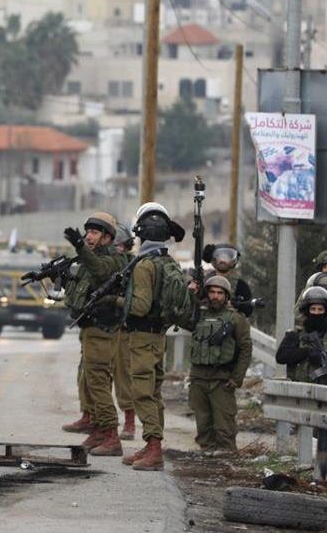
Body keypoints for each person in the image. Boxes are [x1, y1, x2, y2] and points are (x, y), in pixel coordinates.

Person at [118, 201, 186, 471]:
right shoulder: (168, 261)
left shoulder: (144, 265)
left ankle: (154, 448)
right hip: (159, 336)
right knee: (154, 391)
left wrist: (119, 302)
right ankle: (150, 444)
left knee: (143, 392)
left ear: (141, 232)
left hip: (143, 336)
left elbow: (141, 306)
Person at [59, 212, 129, 457]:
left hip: (103, 329)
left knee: (98, 382)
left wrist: (80, 246)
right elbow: (80, 290)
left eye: (95, 233)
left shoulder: (114, 259)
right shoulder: (91, 259)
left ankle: (111, 435)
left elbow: (101, 271)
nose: (89, 236)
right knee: (89, 381)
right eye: (87, 232)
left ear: (108, 238)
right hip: (90, 328)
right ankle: (99, 430)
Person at [187, 276, 251, 454]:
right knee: (203, 420)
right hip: (199, 377)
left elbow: (245, 350)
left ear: (226, 296)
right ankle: (207, 453)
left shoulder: (236, 319)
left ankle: (226, 454)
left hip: (222, 379)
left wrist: (237, 378)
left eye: (220, 293)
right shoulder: (197, 315)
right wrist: (190, 294)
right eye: (212, 292)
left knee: (224, 423)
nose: (215, 296)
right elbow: (179, 316)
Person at [276, 286, 327, 386]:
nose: (316, 313)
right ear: (307, 311)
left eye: (320, 309)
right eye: (313, 309)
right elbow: (281, 357)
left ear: (325, 312)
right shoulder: (295, 336)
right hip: (298, 391)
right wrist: (307, 352)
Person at [113, 223, 136, 441]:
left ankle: (129, 422)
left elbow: (135, 299)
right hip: (101, 325)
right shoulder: (104, 264)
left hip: (123, 327)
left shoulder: (133, 265)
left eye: (120, 244)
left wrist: (114, 300)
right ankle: (93, 419)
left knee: (124, 375)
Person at [202, 243, 257, 317]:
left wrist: (235, 305)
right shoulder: (204, 282)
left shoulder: (240, 285)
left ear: (234, 260)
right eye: (220, 257)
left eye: (227, 257)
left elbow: (248, 310)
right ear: (213, 259)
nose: (223, 261)